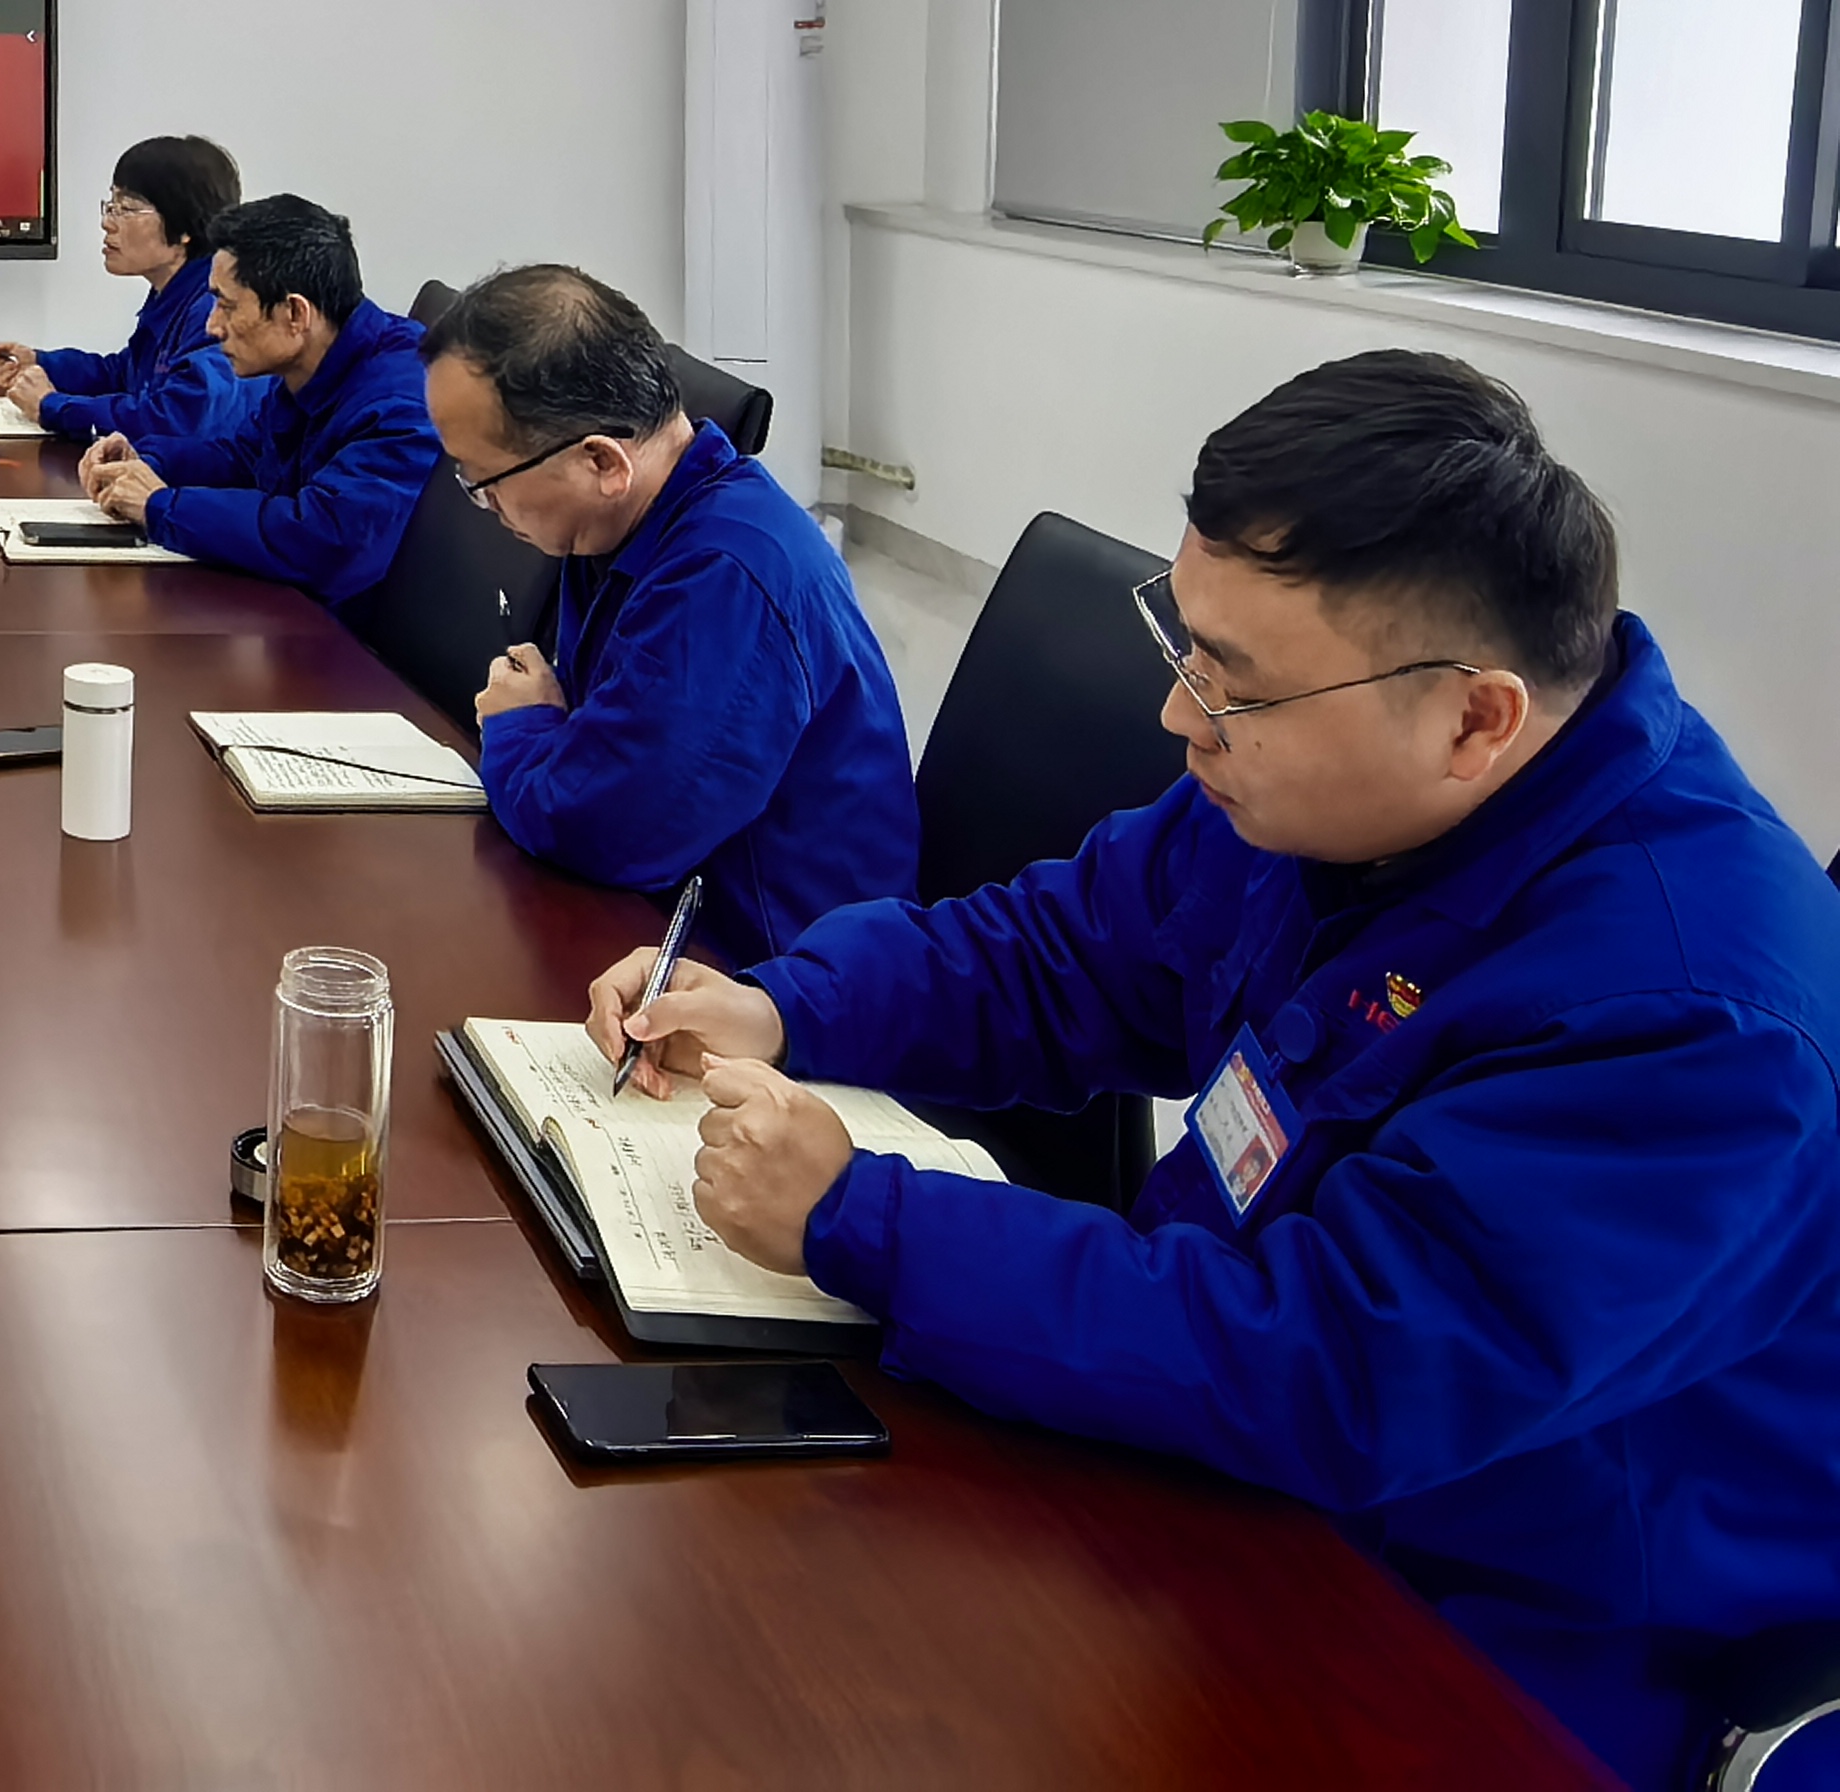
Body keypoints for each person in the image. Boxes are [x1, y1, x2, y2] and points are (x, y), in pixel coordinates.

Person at [588, 353, 1840, 1791]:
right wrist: (782, 1006)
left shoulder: (1692, 1025)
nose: (1182, 720)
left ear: (1475, 718)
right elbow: (1064, 951)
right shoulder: (1335, 796)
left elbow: (1335, 1366)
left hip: (1512, 1632)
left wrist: (857, 1217)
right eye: (1186, 648)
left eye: (1235, 685)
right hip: (1233, 1458)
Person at [429, 264, 913, 958]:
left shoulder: (728, 574)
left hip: (776, 969)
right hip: (656, 918)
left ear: (602, 462)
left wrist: (520, 724)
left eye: (486, 480)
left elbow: (598, 829)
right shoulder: (619, 525)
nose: (484, 505)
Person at [76, 193, 436, 608]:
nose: (212, 327)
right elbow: (245, 457)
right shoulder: (309, 363)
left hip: (349, 636)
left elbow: (323, 539)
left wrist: (160, 507)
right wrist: (148, 461)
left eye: (227, 306)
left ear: (295, 314)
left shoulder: (402, 399)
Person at [0, 134, 243, 452]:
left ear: (185, 226)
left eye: (126, 209)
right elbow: (124, 375)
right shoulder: (173, 292)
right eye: (111, 206)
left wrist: (52, 406)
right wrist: (40, 362)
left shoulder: (216, 306)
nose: (107, 223)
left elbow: (177, 418)